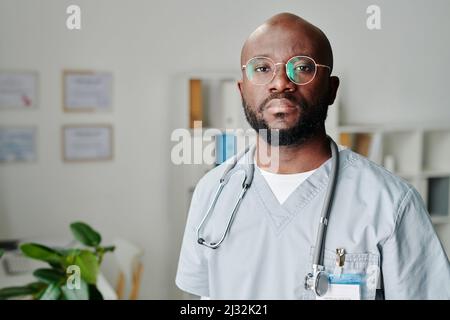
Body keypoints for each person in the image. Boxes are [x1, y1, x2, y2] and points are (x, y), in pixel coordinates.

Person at [175, 12, 450, 299]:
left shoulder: (390, 202)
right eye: (261, 68)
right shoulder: (212, 193)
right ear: (242, 91)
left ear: (332, 89)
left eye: (303, 67)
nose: (280, 82)